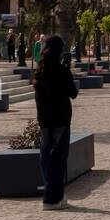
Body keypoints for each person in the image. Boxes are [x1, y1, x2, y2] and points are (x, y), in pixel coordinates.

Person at [32, 34, 78, 210]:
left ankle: (56, 195)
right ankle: (51, 198)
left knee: (46, 157)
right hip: (61, 119)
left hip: (44, 120)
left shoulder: (40, 71)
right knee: (58, 159)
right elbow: (73, 93)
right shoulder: (62, 71)